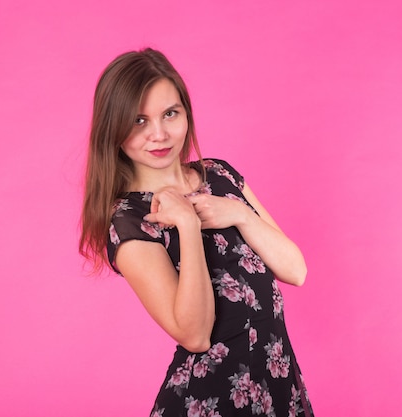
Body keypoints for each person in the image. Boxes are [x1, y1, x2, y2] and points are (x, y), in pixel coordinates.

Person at [79, 48, 314, 417]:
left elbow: (295, 270)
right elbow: (195, 334)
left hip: (278, 388)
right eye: (138, 121)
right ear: (114, 128)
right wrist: (188, 226)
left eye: (169, 114)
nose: (158, 134)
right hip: (210, 402)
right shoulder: (129, 219)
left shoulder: (220, 175)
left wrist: (240, 214)